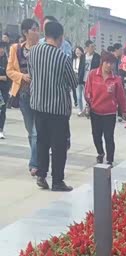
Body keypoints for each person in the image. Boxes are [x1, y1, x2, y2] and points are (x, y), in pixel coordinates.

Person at [27, 18, 76, 191]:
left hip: (38, 105)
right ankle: (57, 181)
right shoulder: (62, 57)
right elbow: (73, 82)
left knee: (41, 141)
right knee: (58, 146)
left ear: (46, 34)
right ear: (60, 37)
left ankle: (41, 175)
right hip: (58, 109)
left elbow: (31, 73)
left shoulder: (32, 52)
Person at [7, 17, 41, 173]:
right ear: (25, 32)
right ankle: (36, 155)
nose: (36, 32)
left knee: (36, 131)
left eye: (37, 29)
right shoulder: (16, 49)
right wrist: (22, 76)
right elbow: (9, 71)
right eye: (33, 29)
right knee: (30, 130)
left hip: (40, 95)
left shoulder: (42, 48)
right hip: (23, 94)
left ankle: (34, 164)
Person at [84, 50, 126, 165]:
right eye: (107, 62)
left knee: (109, 137)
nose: (109, 65)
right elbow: (87, 90)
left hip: (109, 113)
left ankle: (110, 159)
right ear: (102, 62)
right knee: (96, 135)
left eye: (112, 63)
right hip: (95, 111)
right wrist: (90, 101)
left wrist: (124, 110)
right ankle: (100, 152)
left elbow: (121, 96)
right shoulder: (93, 74)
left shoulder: (116, 79)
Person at [72, 45, 85, 112]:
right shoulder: (73, 59)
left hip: (83, 79)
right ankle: (81, 110)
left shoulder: (84, 59)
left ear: (82, 52)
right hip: (76, 78)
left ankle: (88, 110)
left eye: (79, 51)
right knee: (79, 96)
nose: (77, 52)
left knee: (86, 96)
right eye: (76, 51)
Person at [0, 41, 8, 140]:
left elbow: (8, 76)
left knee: (2, 109)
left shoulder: (7, 60)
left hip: (4, 89)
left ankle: (1, 129)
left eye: (3, 48)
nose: (2, 50)